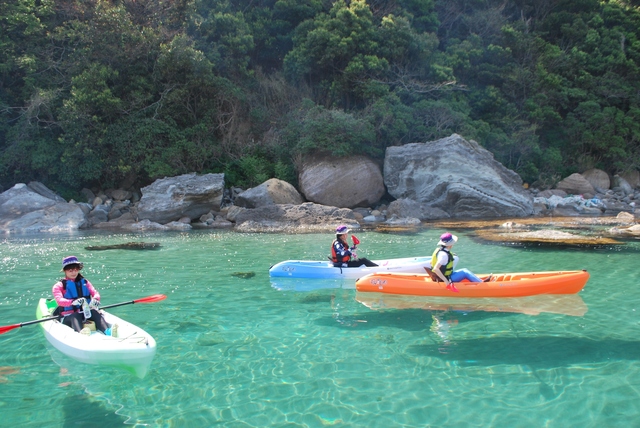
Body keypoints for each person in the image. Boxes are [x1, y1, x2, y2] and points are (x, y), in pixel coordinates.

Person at [52, 255, 117, 337]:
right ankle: (81, 334)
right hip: (68, 316)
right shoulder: (59, 286)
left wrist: (96, 299)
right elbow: (59, 301)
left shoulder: (85, 282)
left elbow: (95, 293)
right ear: (65, 271)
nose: (74, 273)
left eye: (76, 270)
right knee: (75, 315)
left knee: (94, 312)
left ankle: (107, 331)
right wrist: (72, 302)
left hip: (85, 313)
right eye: (70, 270)